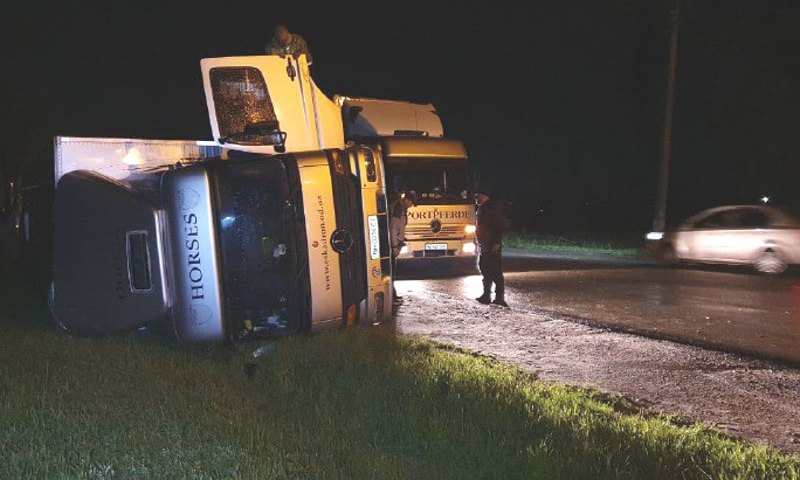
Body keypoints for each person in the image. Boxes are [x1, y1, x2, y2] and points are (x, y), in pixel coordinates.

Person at [474, 187, 510, 307]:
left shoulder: (492, 208)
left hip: (491, 243)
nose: (476, 198)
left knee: (495, 270)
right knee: (485, 268)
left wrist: (496, 242)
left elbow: (497, 226)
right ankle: (486, 295)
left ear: (484, 196)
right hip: (484, 243)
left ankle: (499, 298)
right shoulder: (484, 208)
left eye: (477, 195)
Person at [389, 190, 416, 303]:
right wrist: (395, 245)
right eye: (410, 203)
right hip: (393, 244)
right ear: (406, 200)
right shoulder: (399, 207)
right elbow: (394, 227)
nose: (410, 206)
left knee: (392, 271)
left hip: (396, 242)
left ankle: (393, 295)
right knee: (392, 271)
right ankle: (391, 297)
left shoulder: (400, 207)